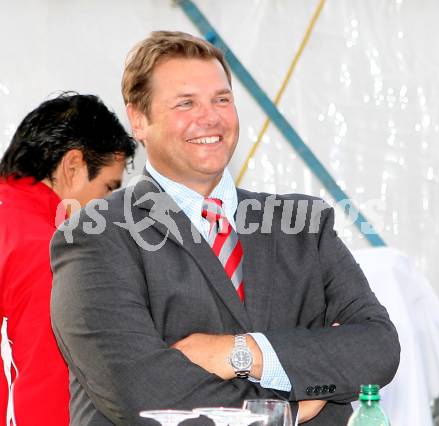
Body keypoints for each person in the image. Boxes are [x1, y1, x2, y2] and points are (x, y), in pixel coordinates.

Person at [50, 32, 400, 425]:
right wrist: (289, 407)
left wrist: (243, 353)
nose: (210, 117)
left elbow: (378, 349)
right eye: (186, 103)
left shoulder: (304, 224)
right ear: (138, 120)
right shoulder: (96, 235)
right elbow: (141, 391)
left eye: (222, 99)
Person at [0, 93, 136, 426]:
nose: (108, 207)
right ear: (72, 167)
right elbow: (43, 387)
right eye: (108, 188)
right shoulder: (45, 248)